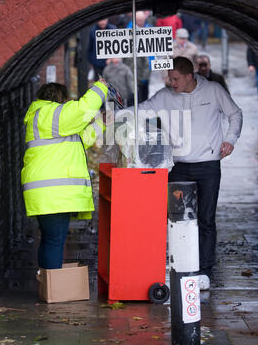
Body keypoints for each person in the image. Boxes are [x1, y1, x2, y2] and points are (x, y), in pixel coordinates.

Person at [117, 57, 243, 290]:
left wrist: (230, 139)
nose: (171, 82)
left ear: (189, 76)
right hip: (178, 167)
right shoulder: (165, 97)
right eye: (169, 78)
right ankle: (181, 265)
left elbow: (235, 114)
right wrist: (115, 116)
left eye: (175, 78)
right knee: (178, 219)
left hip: (208, 165)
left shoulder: (214, 90)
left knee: (206, 220)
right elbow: (141, 111)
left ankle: (204, 271)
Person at [21, 79, 108, 270]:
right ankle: (53, 289)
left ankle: (47, 285)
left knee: (50, 239)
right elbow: (82, 108)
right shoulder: (49, 114)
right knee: (55, 240)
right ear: (60, 100)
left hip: (48, 193)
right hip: (53, 193)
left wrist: (101, 122)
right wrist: (100, 87)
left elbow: (80, 140)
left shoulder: (48, 120)